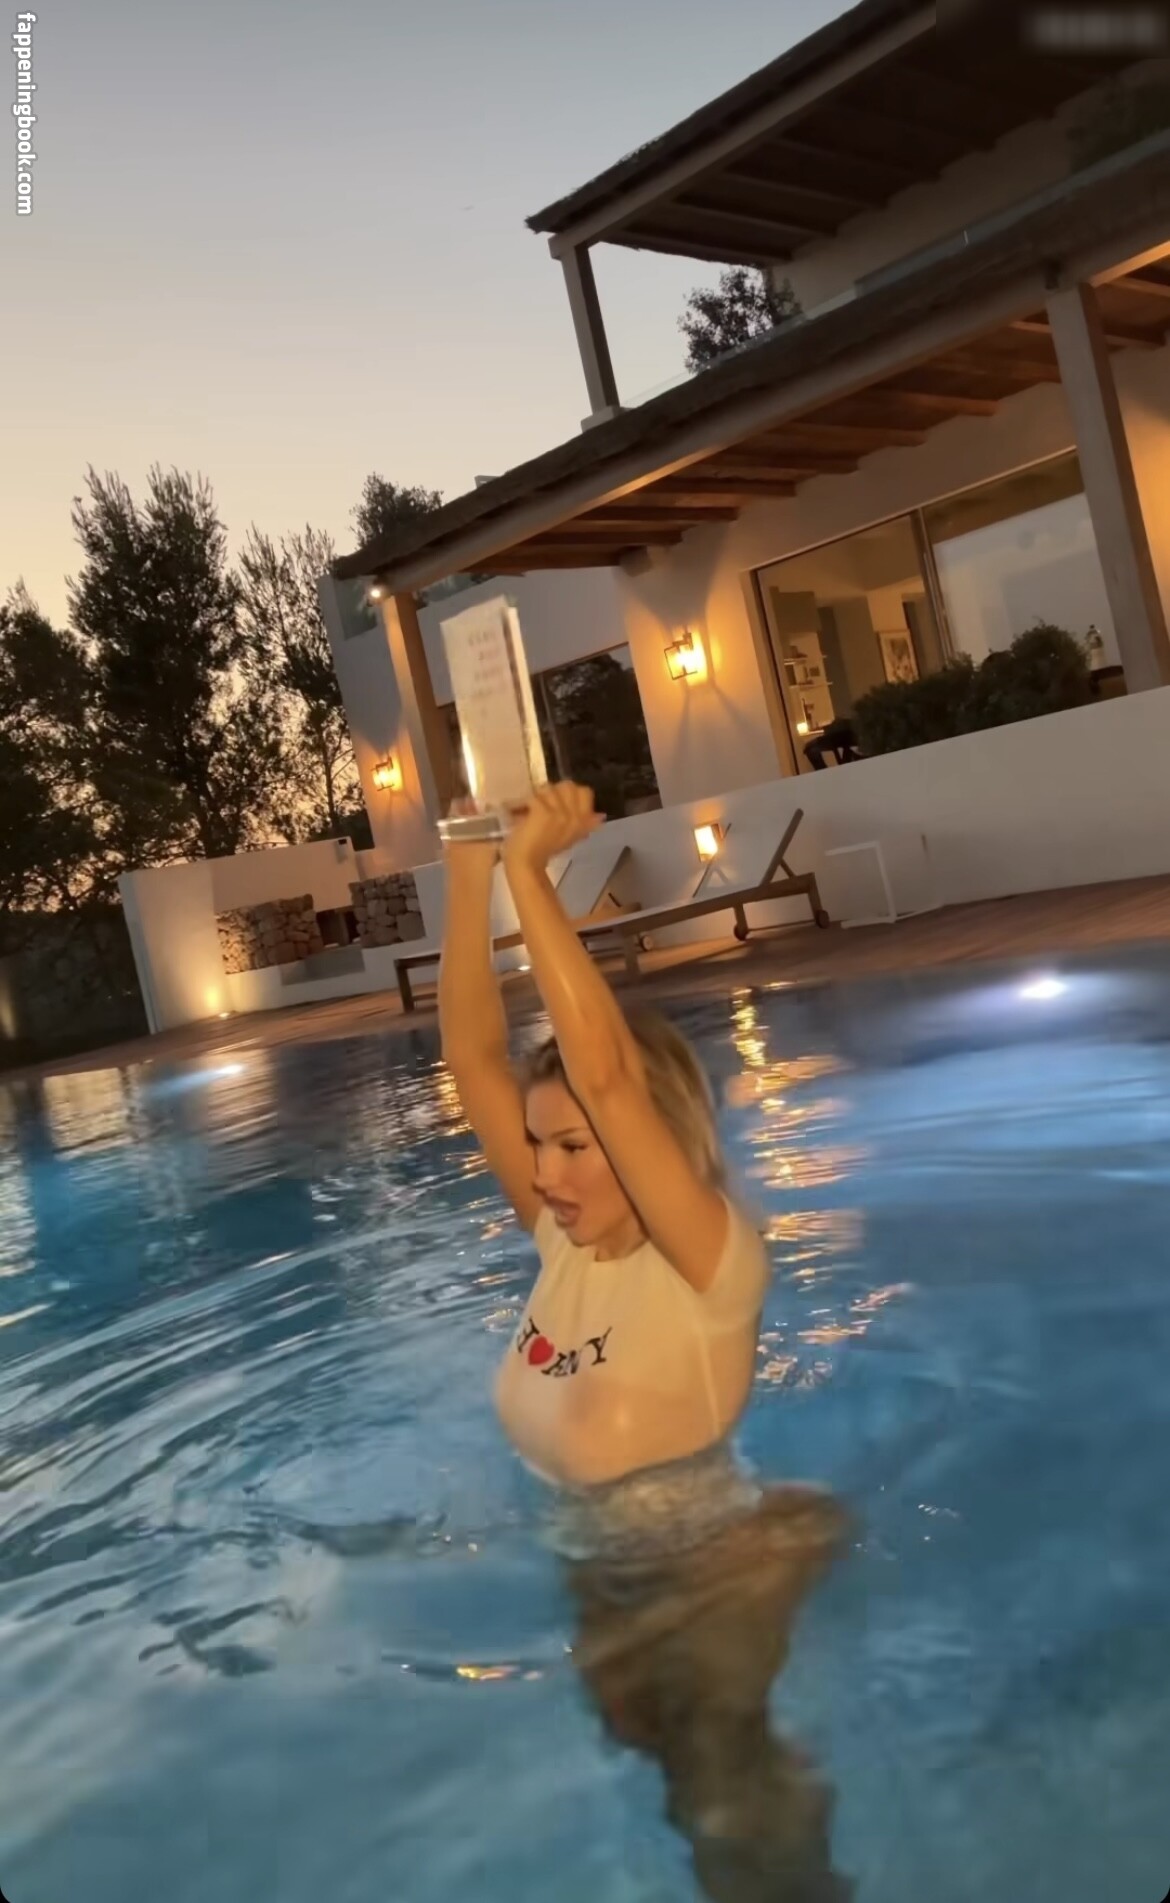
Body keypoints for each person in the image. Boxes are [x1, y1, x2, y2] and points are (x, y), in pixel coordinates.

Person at [439, 781, 853, 1901]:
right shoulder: (563, 1246)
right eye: (538, 1145)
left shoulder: (710, 1271)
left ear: (645, 1142)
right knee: (655, 1763)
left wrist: (532, 877)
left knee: (730, 1816)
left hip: (704, 1576)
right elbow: (474, 1056)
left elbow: (609, 1075)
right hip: (599, 1573)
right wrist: (469, 870)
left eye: (574, 1146)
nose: (543, 1172)